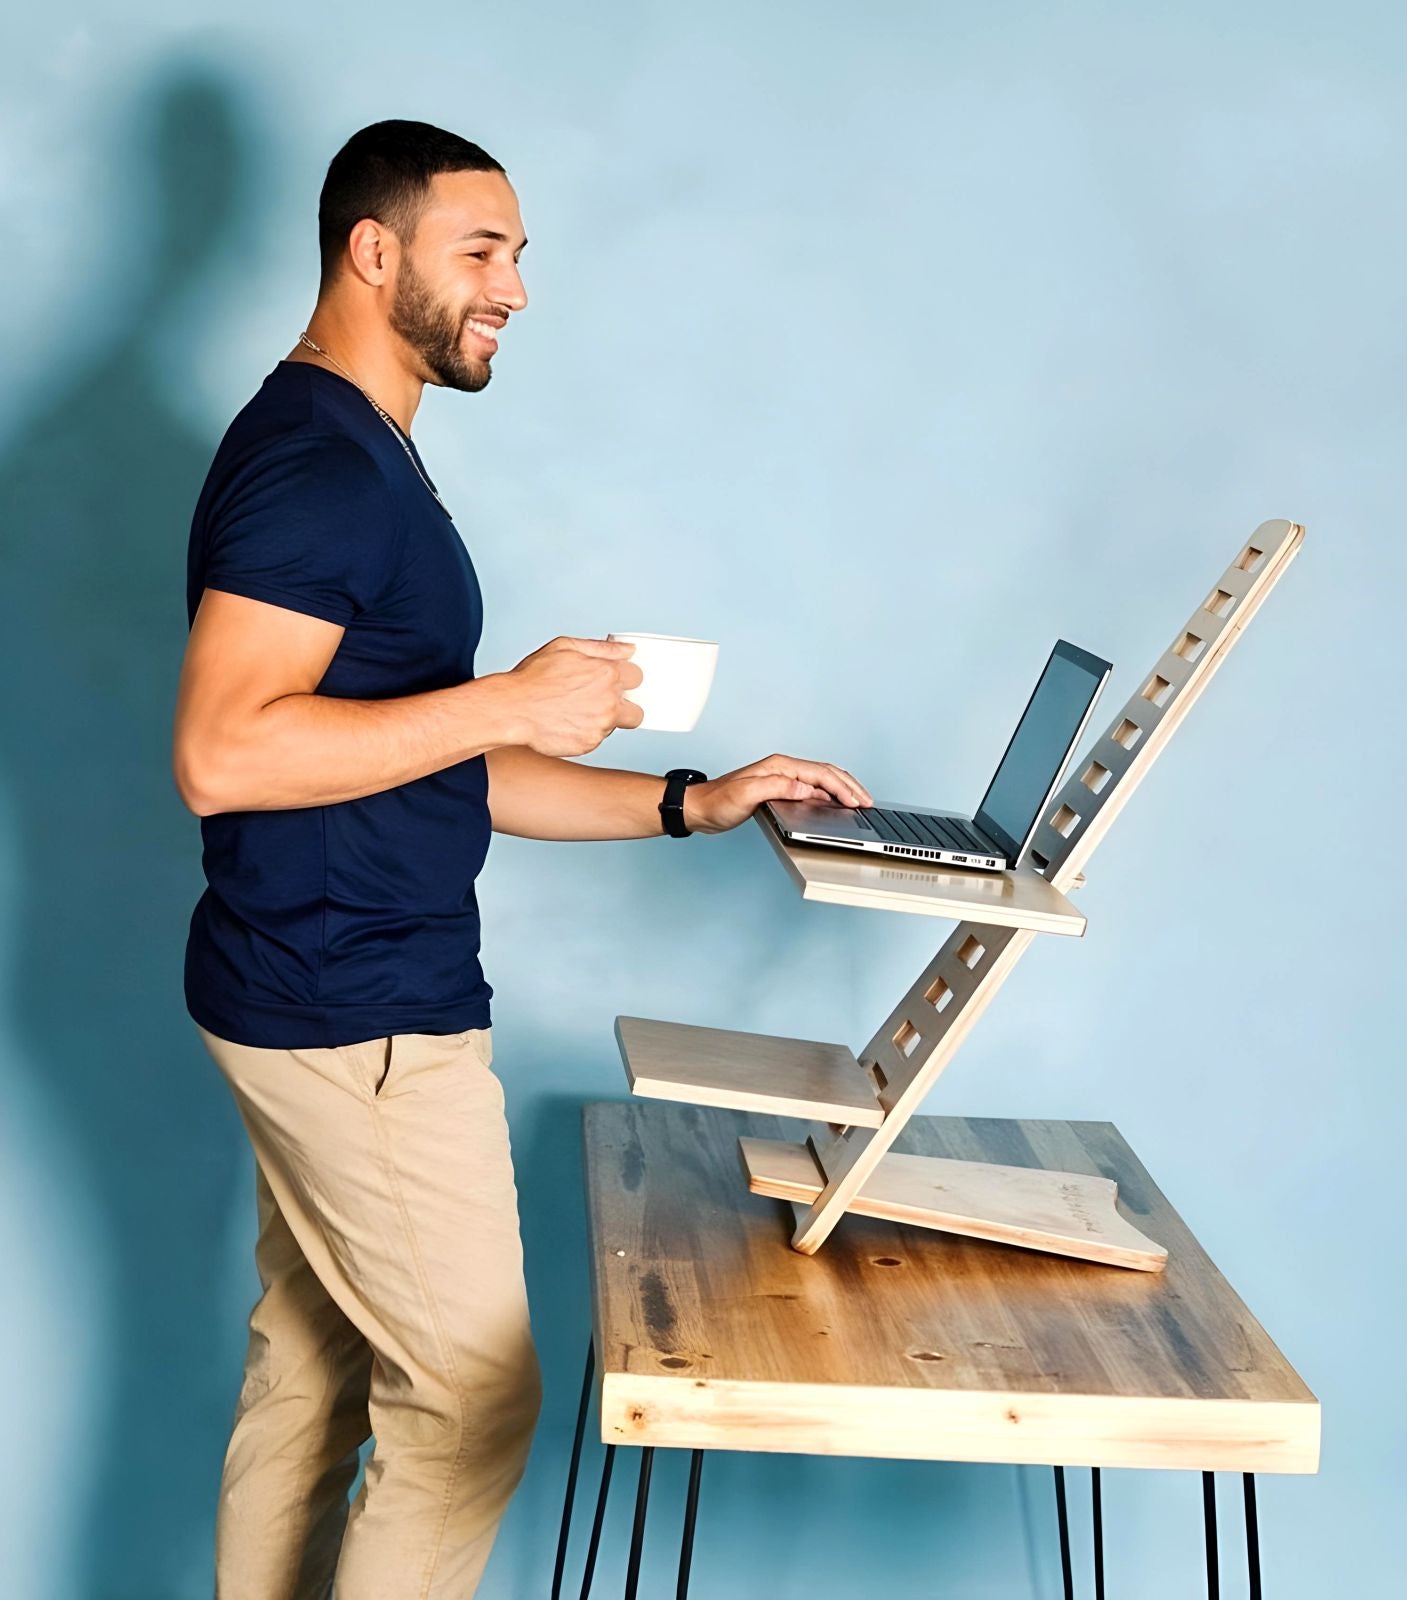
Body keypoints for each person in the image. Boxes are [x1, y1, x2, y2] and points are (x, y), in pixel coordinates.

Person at [171, 118, 872, 1600]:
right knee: (470, 1404)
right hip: (353, 1011)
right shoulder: (317, 468)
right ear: (375, 252)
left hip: (316, 988)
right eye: (481, 251)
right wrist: (511, 694)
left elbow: (423, 759)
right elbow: (224, 753)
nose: (517, 288)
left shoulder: (363, 452)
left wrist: (690, 797)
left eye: (521, 257)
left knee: (311, 1379)